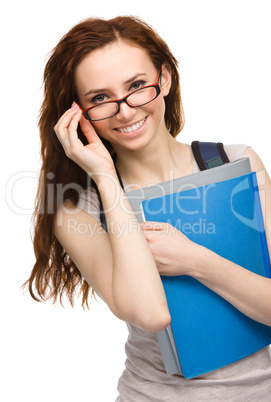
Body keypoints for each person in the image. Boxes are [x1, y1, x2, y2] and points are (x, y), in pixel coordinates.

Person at [24, 16, 271, 400]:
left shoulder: (235, 164)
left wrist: (193, 260)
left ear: (165, 79)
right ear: (78, 114)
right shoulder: (75, 207)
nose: (124, 111)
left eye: (137, 86)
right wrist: (106, 175)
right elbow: (150, 314)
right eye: (100, 98)